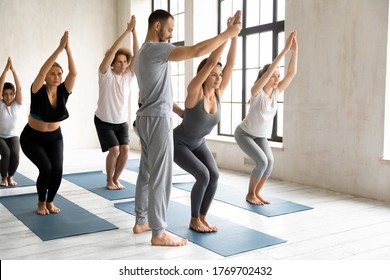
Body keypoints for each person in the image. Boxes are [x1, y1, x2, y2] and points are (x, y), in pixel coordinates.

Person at [133, 9, 241, 246]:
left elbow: (154, 91)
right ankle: (159, 232)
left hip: (146, 117)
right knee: (161, 176)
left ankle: (141, 220)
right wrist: (228, 33)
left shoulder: (142, 53)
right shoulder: (156, 49)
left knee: (147, 172)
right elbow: (197, 52)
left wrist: (178, 111)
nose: (171, 35)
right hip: (157, 120)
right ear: (157, 26)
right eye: (170, 29)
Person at [173, 31, 237, 233]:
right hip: (179, 143)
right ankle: (193, 220)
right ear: (204, 74)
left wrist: (235, 35)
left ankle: (202, 217)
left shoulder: (218, 93)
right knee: (203, 176)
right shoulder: (194, 92)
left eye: (220, 75)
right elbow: (212, 61)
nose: (218, 78)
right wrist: (227, 34)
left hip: (199, 142)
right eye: (213, 74)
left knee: (214, 176)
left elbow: (231, 64)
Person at [234, 31, 298, 205]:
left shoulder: (276, 93)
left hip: (260, 135)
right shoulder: (257, 92)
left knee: (269, 163)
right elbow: (270, 70)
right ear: (265, 77)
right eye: (273, 76)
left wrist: (294, 51)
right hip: (244, 134)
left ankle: (256, 193)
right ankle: (250, 194)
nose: (277, 79)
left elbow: (291, 73)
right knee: (261, 161)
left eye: (278, 76)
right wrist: (284, 50)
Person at [20, 31, 77, 215]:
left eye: (59, 74)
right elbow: (42, 71)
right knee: (46, 168)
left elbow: (74, 72)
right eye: (52, 74)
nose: (57, 77)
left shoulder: (63, 91)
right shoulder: (37, 89)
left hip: (54, 137)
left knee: (58, 169)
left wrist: (68, 51)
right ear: (46, 77)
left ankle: (50, 201)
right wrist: (59, 48)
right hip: (31, 138)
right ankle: (40, 202)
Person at [94, 15, 139, 190]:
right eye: (118, 62)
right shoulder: (105, 74)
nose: (122, 64)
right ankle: (108, 181)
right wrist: (126, 31)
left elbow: (138, 54)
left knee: (125, 151)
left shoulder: (128, 76)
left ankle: (115, 179)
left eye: (124, 61)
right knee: (114, 150)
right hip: (103, 120)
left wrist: (135, 33)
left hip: (121, 122)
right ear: (112, 63)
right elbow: (111, 51)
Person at [0, 57, 22, 187]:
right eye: (5, 94)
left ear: (14, 95)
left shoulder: (17, 104)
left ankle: (10, 177)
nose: (8, 96)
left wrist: (13, 70)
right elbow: (0, 84)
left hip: (13, 135)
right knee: (6, 153)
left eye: (11, 94)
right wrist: (6, 70)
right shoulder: (0, 104)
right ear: (2, 95)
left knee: (15, 155)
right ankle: (3, 178)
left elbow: (19, 88)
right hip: (0, 136)